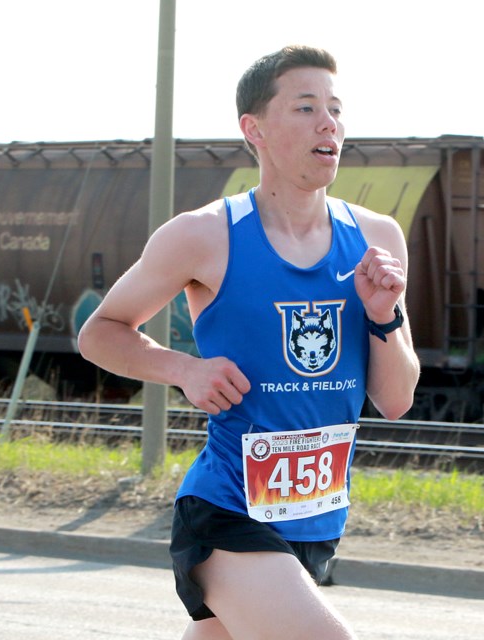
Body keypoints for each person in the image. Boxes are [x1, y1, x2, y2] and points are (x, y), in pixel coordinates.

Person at [78, 44, 420, 640]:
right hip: (226, 511)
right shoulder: (204, 235)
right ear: (253, 128)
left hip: (314, 519)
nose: (329, 124)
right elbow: (100, 334)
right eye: (307, 107)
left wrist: (383, 316)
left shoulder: (375, 237)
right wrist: (184, 369)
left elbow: (394, 400)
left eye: (336, 109)